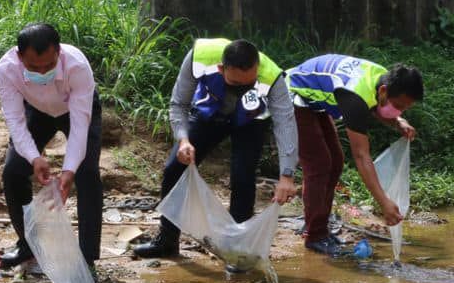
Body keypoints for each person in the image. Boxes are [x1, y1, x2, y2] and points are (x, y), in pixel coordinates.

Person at [134, 38, 298, 261]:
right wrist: (183, 140)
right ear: (222, 69)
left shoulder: (273, 76)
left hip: (251, 120)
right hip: (209, 114)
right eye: (236, 83)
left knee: (243, 177)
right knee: (174, 167)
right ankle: (167, 241)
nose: (243, 88)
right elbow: (178, 104)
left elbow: (285, 124)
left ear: (257, 68)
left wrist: (287, 175)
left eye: (249, 83)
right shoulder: (199, 57)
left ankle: (236, 252)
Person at [286, 55, 422, 256]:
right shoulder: (354, 96)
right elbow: (361, 156)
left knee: (336, 162)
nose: (399, 110)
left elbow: (377, 104)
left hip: (316, 102)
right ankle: (314, 235)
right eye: (399, 106)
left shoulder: (382, 79)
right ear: (384, 91)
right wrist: (384, 202)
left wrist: (398, 121)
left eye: (404, 108)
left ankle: (319, 226)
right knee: (320, 164)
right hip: (292, 96)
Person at [0, 23, 103, 269]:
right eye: (34, 67)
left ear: (59, 53)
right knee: (13, 170)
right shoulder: (7, 68)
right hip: (37, 111)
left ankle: (87, 258)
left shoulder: (76, 65)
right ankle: (27, 245)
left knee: (87, 174)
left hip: (74, 109)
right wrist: (34, 157)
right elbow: (15, 119)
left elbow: (79, 127)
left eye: (49, 66)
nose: (42, 71)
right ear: (20, 56)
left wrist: (68, 171)